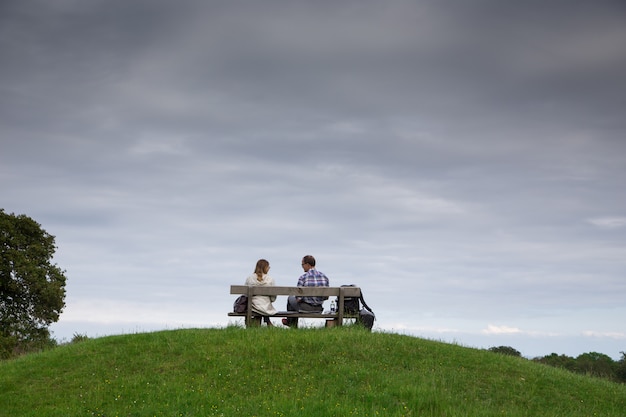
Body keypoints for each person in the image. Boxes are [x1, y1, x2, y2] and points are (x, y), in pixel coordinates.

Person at [282, 255, 330, 327]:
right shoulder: (324, 277)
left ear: (307, 265)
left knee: (290, 298)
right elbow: (326, 297)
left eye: (302, 264)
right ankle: (291, 323)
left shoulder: (303, 278)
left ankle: (291, 324)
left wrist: (300, 299)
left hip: (305, 308)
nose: (302, 267)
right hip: (319, 308)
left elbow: (298, 297)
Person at [245, 259, 277, 326]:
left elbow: (246, 294)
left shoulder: (249, 278)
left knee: (259, 307)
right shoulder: (270, 279)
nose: (269, 268)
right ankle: (268, 323)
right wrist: (270, 300)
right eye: (268, 267)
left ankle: (257, 324)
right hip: (266, 307)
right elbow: (273, 296)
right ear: (265, 268)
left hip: (253, 306)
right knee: (263, 306)